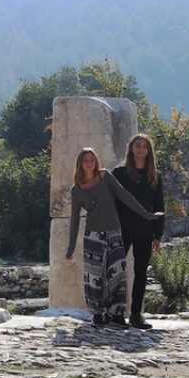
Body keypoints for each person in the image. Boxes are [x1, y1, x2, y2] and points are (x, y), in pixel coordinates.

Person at [65, 147, 165, 328]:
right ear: (80, 164)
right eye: (85, 160)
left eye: (92, 159)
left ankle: (117, 316)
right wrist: (70, 248)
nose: (89, 163)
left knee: (118, 275)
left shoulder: (105, 176)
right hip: (93, 235)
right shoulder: (76, 189)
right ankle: (97, 314)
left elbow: (125, 195)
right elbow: (74, 220)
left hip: (115, 232)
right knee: (94, 275)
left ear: (96, 162)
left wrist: (146, 214)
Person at [111, 134, 166, 331]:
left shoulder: (155, 176)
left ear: (149, 151)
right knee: (115, 272)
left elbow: (159, 207)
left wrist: (158, 236)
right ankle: (114, 312)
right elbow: (111, 202)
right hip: (122, 230)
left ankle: (135, 315)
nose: (141, 149)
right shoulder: (119, 173)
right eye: (137, 145)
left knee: (140, 274)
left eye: (145, 146)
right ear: (131, 148)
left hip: (145, 230)